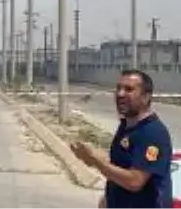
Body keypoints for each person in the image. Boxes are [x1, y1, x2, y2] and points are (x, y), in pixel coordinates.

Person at [70, 69, 173, 209]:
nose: (120, 94)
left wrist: (95, 161)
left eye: (129, 89)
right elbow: (119, 168)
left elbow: (135, 181)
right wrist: (107, 200)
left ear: (146, 97)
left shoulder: (153, 132)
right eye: (118, 88)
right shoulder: (126, 127)